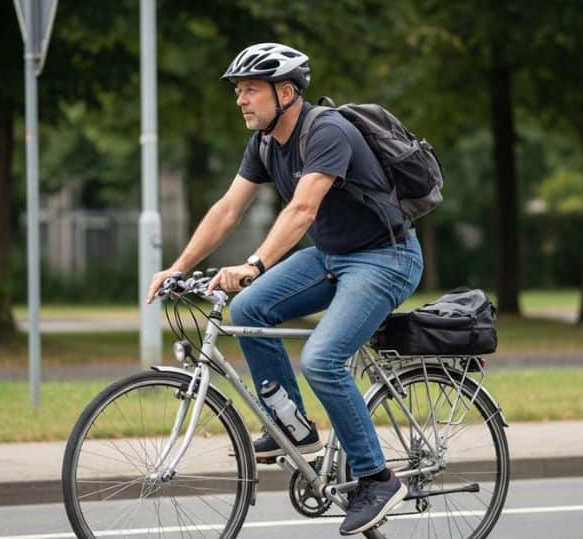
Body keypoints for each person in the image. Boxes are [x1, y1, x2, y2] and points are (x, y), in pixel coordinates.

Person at [145, 42, 424, 535]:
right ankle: (292, 426)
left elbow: (302, 210)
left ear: (286, 91)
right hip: (334, 256)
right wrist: (178, 266)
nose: (240, 100)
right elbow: (229, 209)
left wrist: (253, 263)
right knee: (250, 308)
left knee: (322, 358)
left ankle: (377, 479)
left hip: (386, 257)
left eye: (250, 89)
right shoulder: (265, 144)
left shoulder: (328, 132)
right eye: (239, 91)